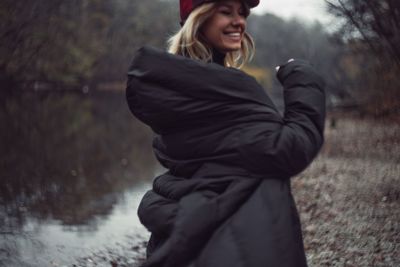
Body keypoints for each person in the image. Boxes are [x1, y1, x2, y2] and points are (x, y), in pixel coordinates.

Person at [126, 0, 326, 266]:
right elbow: (288, 149)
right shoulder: (228, 88)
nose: (239, 21)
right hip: (234, 233)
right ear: (199, 18)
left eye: (242, 13)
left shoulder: (177, 87)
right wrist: (303, 81)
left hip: (200, 225)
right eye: (225, 12)